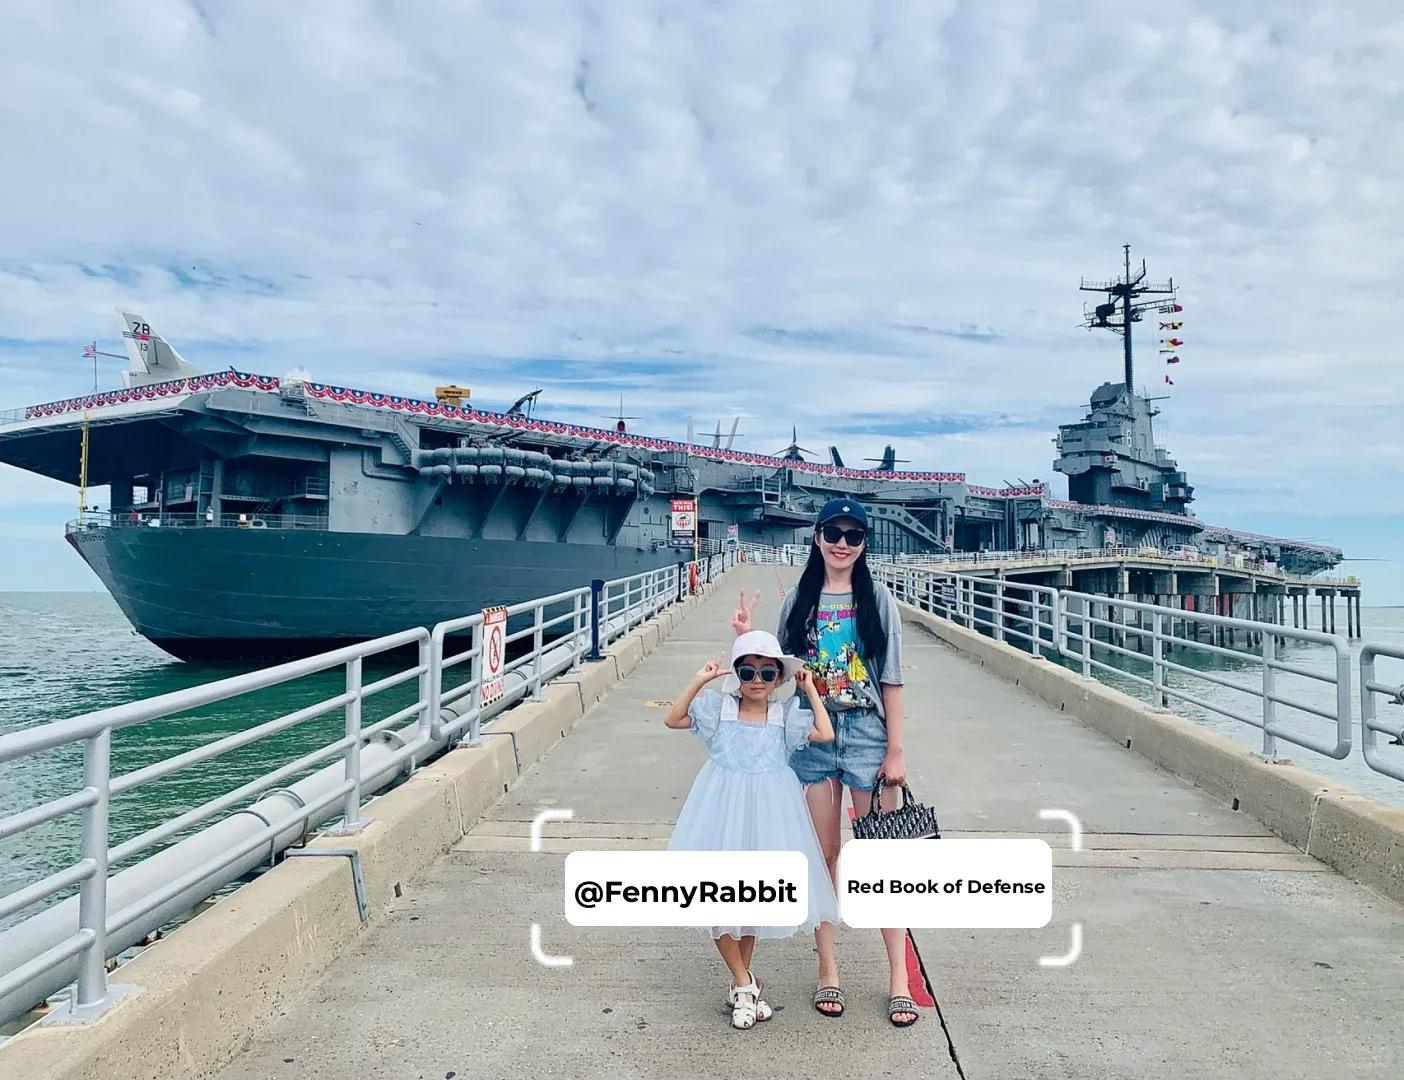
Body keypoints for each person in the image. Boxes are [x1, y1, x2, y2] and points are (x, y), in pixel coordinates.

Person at [731, 497, 918, 1027]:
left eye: (853, 534)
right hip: (812, 734)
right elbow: (772, 670)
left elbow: (893, 676)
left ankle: (898, 977)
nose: (842, 542)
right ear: (817, 538)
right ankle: (828, 970)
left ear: (864, 544)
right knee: (824, 854)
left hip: (865, 734)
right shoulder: (798, 599)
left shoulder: (877, 598)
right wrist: (743, 636)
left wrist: (896, 749)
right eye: (832, 532)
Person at [664, 630, 839, 1030]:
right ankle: (744, 985)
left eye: (766, 673)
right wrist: (699, 680)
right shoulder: (718, 711)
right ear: (736, 676)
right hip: (721, 810)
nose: (756, 681)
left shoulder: (783, 717)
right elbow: (673, 718)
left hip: (769, 813)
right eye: (747, 672)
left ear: (778, 677)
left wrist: (810, 689)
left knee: (752, 901)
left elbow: (825, 734)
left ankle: (742, 983)